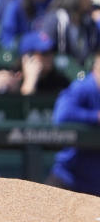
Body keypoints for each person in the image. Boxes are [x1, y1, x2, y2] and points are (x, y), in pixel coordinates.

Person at [47, 55, 100, 196]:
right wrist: (94, 116)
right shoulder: (84, 87)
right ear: (96, 67)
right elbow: (61, 114)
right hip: (69, 179)